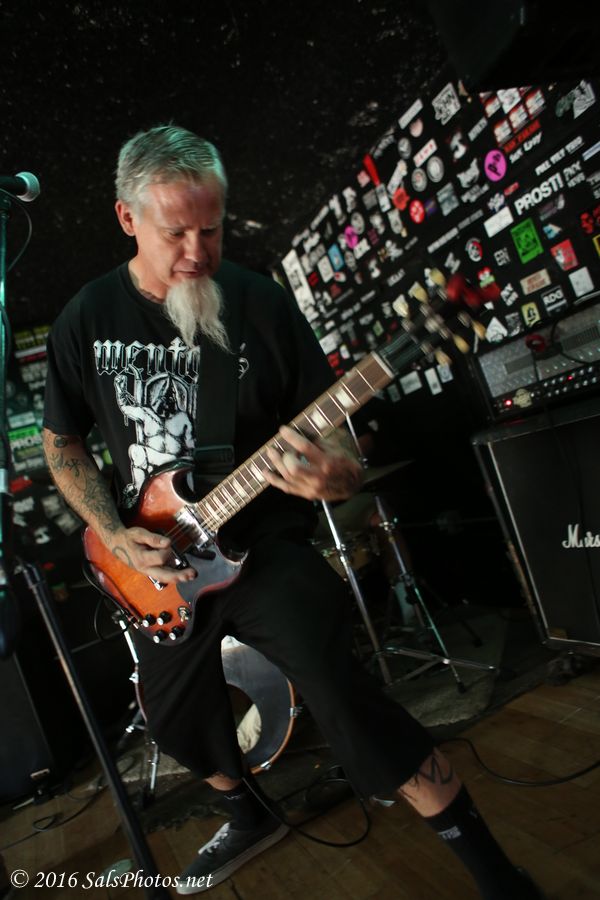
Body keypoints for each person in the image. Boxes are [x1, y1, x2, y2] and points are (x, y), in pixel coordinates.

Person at [42, 125, 543, 899]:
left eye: (212, 230)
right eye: (176, 233)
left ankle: (498, 876)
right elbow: (61, 442)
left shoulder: (258, 303)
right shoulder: (86, 317)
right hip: (153, 562)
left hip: (263, 545)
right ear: (127, 218)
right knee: (172, 719)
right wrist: (113, 533)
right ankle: (247, 815)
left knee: (345, 695)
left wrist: (336, 474)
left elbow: (331, 428)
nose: (198, 252)